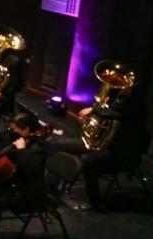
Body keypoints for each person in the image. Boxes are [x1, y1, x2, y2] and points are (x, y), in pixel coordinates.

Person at [50, 69, 147, 210]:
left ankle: (95, 203)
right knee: (56, 144)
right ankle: (50, 190)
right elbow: (105, 109)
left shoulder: (135, 106)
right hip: (101, 144)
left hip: (121, 152)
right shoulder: (116, 98)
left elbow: (115, 113)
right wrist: (92, 116)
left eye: (125, 86)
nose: (117, 86)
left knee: (88, 162)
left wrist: (93, 110)